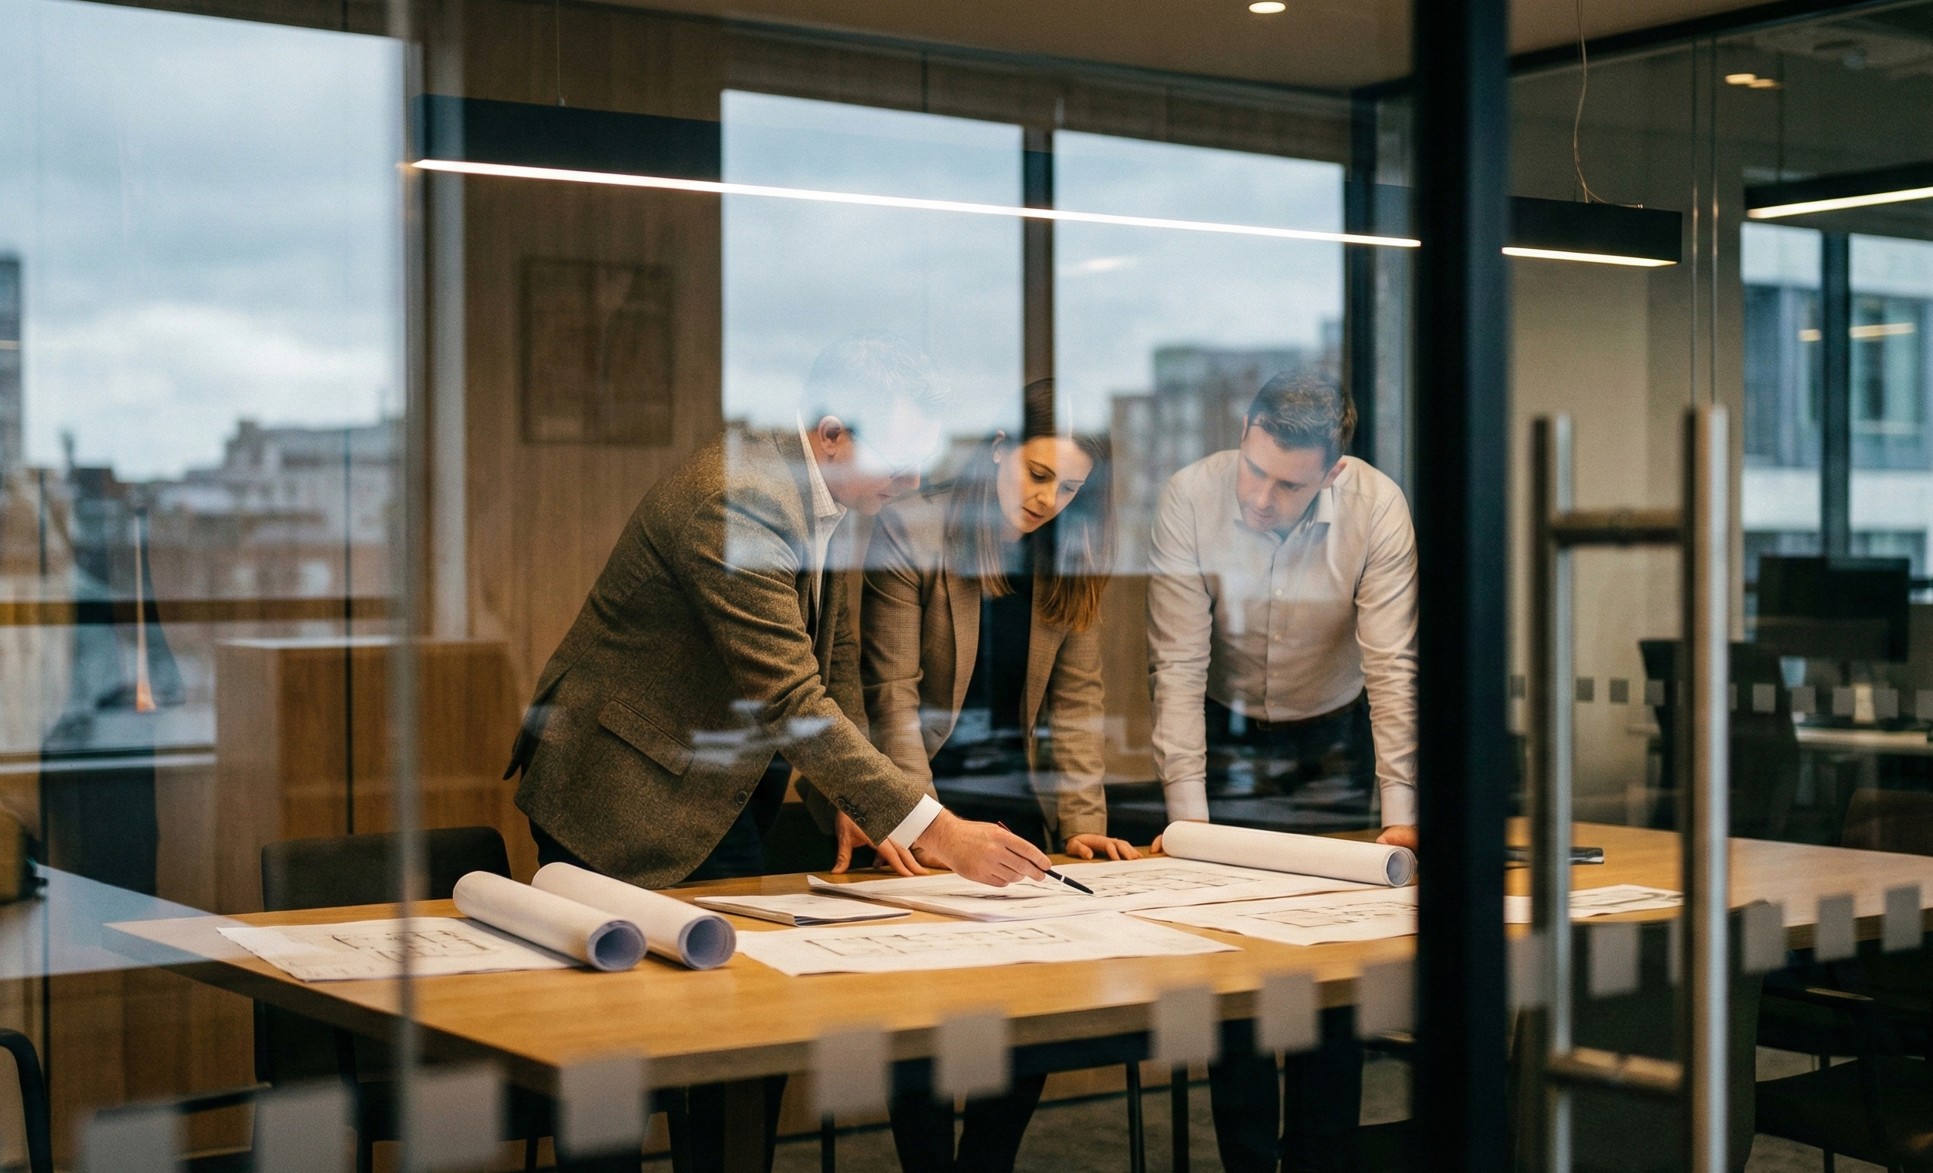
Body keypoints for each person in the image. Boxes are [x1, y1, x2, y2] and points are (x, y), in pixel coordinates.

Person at [504, 333, 1052, 1172]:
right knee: (613, 1071)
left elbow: (827, 665)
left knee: (738, 1045)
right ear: (832, 434)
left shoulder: (824, 492)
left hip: (719, 791)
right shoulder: (738, 502)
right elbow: (792, 699)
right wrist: (935, 828)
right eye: (898, 462)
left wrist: (848, 801)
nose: (910, 484)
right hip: (619, 787)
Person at [861, 378, 1139, 1172]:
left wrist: (1082, 821)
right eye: (1040, 474)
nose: (1052, 500)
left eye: (1074, 486)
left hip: (1016, 805)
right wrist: (927, 828)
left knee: (1031, 1008)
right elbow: (890, 696)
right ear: (995, 454)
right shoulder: (910, 529)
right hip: (920, 799)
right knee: (918, 1009)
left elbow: (1076, 704)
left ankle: (985, 1160)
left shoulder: (1072, 549)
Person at [1146, 370, 1418, 1173]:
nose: (1261, 497)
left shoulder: (1376, 508)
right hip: (1225, 733)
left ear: (1332, 470)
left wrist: (1401, 811)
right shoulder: (1188, 497)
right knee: (1234, 969)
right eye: (1253, 468)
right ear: (1244, 429)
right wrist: (1185, 826)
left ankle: (1320, 1159)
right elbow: (1176, 668)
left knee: (1333, 974)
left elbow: (1394, 672)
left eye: (1288, 483)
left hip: (1330, 737)